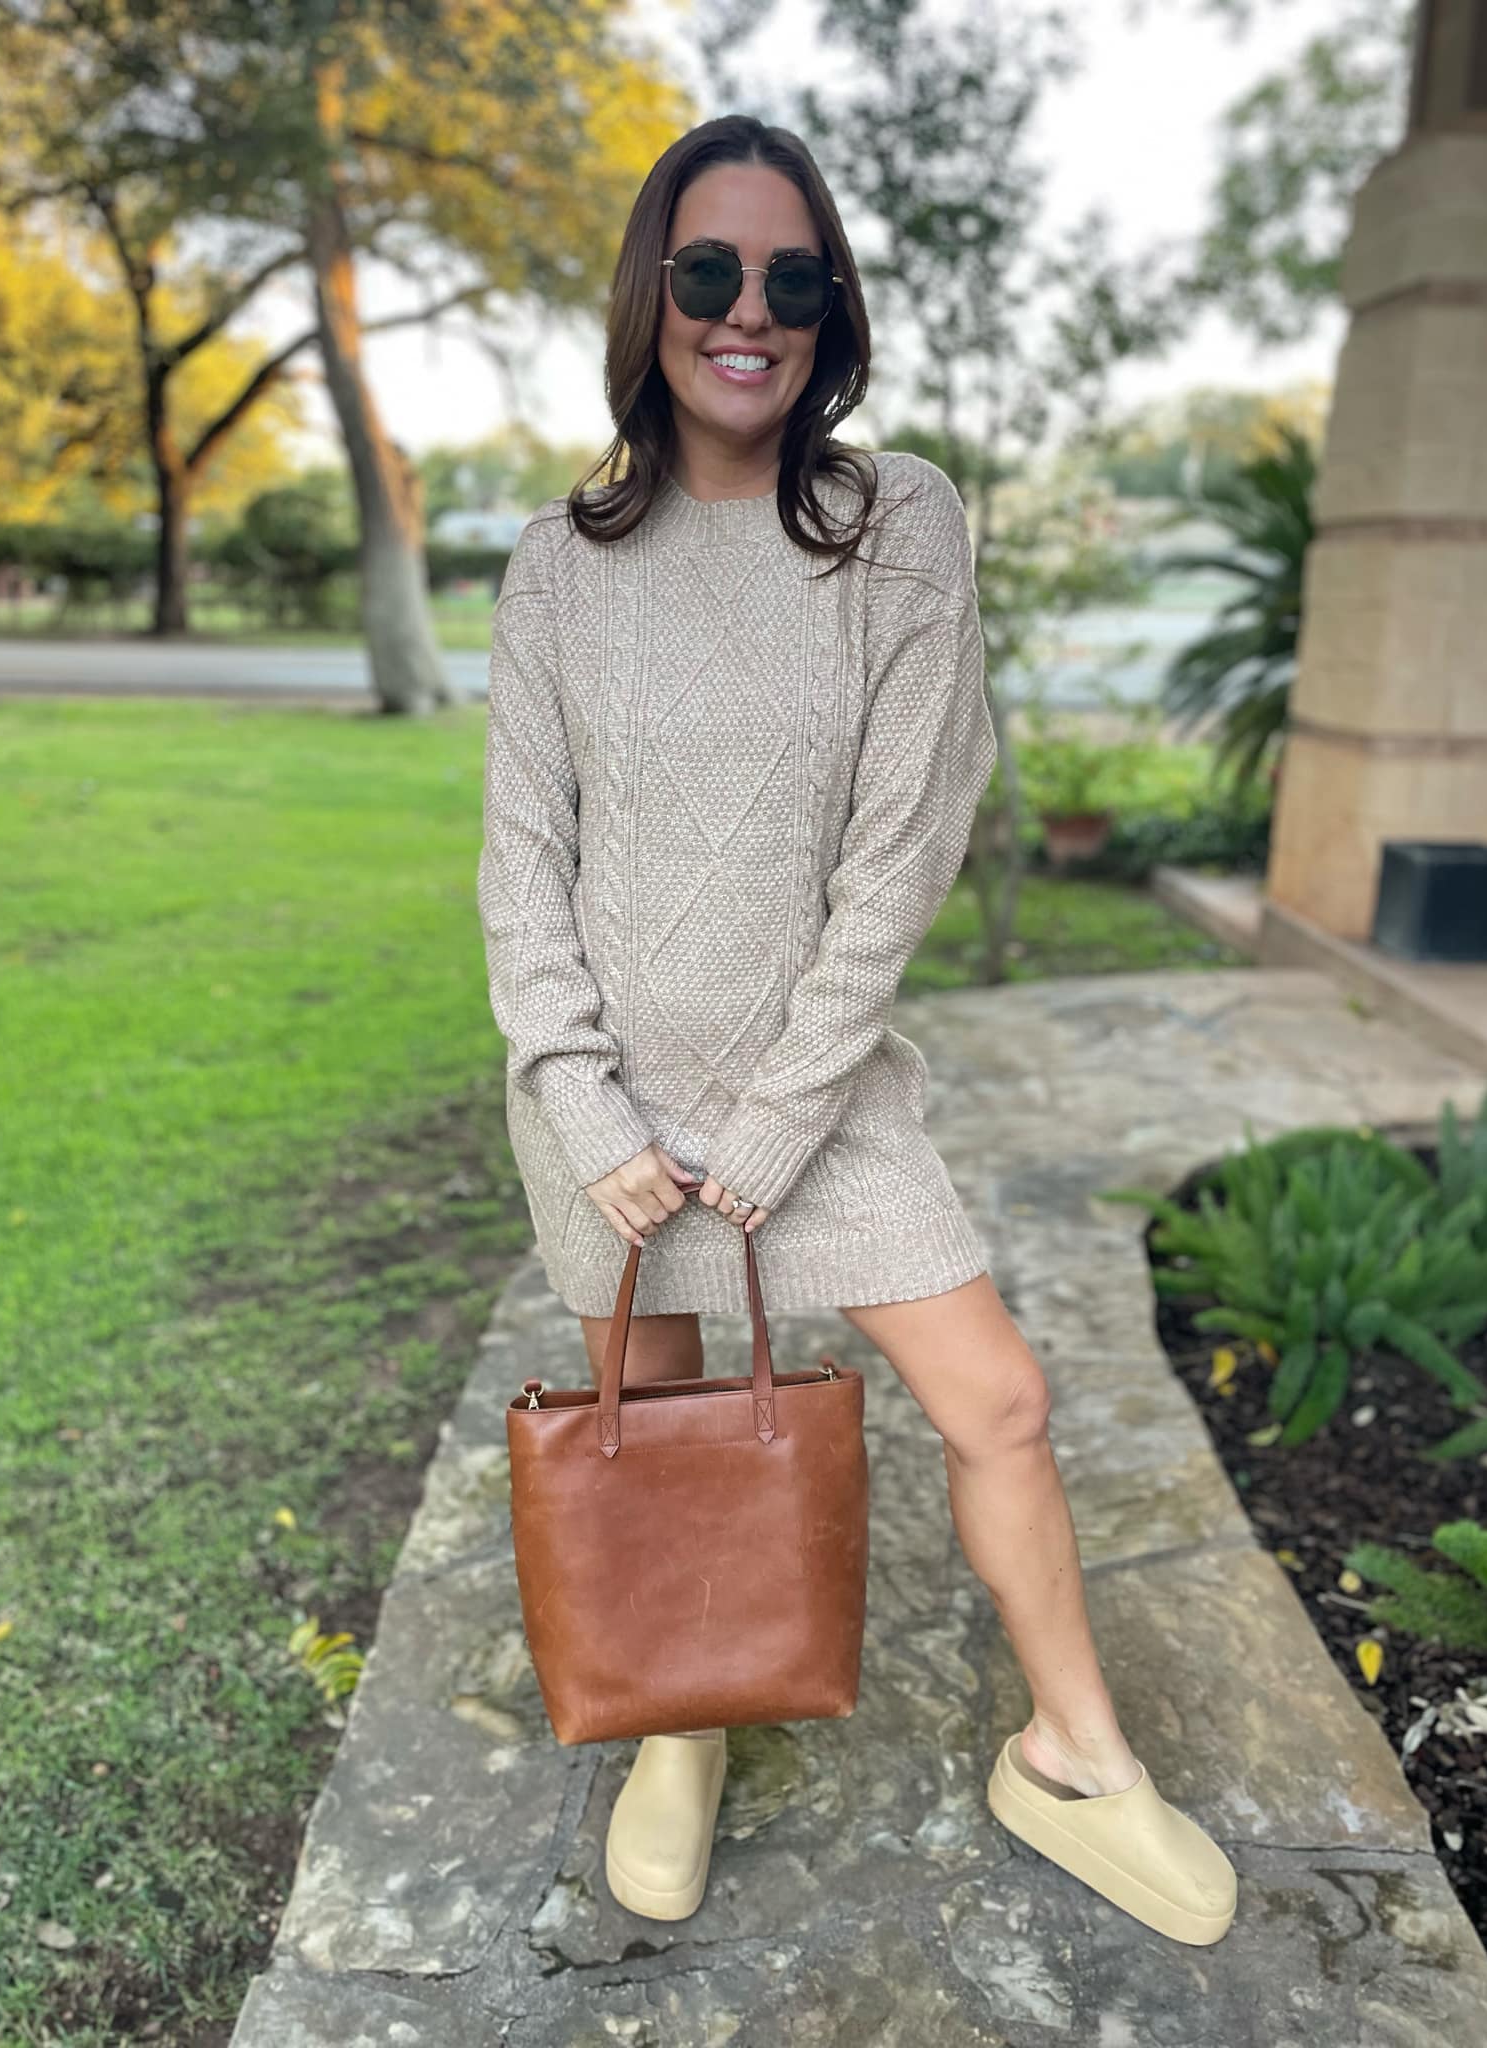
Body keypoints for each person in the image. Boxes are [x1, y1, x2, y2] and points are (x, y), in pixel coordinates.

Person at [477, 113, 1236, 1948]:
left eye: (792, 277)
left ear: (832, 308)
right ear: (653, 292)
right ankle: (683, 1728)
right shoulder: (557, 562)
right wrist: (581, 1101)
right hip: (613, 1116)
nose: (749, 311)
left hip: (816, 1101)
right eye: (710, 270)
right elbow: (521, 860)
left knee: (1002, 1401)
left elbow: (902, 858)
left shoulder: (900, 527)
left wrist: (779, 1117)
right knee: (661, 1439)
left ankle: (1075, 1758)